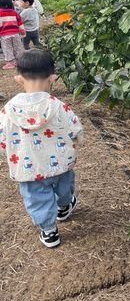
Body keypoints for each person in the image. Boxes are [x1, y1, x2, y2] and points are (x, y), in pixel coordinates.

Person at [0, 49, 83, 247]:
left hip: (29, 169)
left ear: (18, 79)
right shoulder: (58, 106)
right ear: (53, 78)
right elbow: (75, 128)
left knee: (37, 199)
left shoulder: (8, 110)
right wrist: (76, 142)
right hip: (60, 163)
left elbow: (2, 137)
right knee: (64, 188)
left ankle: (49, 231)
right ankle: (64, 207)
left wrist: (9, 150)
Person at [0, 0, 25, 69]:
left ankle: (10, 63)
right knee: (18, 47)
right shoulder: (14, 12)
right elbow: (20, 22)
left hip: (4, 35)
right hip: (15, 33)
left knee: (7, 48)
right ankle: (20, 61)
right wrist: (22, 31)